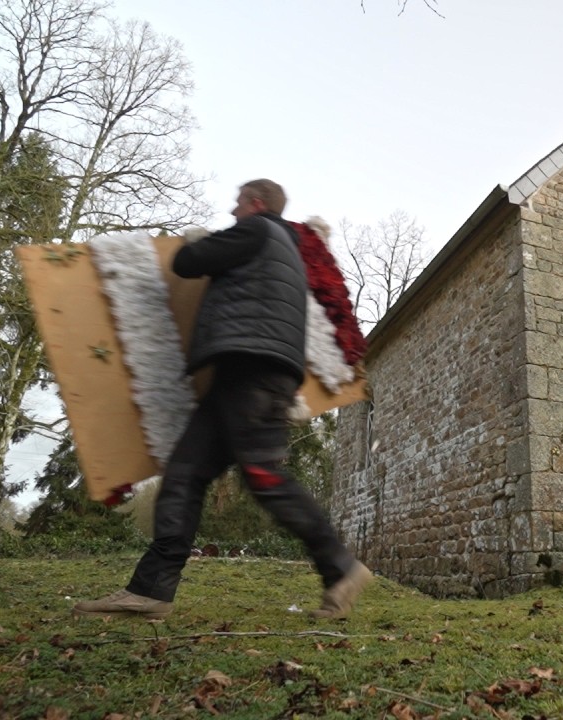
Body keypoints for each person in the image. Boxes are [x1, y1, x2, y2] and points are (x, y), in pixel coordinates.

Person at [73, 179, 372, 621]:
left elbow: (189, 261)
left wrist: (199, 242)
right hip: (247, 370)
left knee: (263, 475)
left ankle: (341, 567)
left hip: (252, 368)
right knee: (185, 475)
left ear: (255, 203)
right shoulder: (284, 246)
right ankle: (150, 590)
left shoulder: (258, 230)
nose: (232, 211)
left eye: (237, 203)